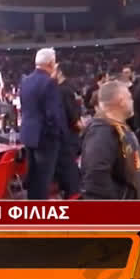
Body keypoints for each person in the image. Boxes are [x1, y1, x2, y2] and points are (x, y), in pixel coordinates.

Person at [81, 81, 140, 199]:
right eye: (130, 98)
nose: (132, 101)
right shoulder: (102, 132)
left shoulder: (119, 127)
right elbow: (95, 178)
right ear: (121, 100)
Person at [19, 48, 71, 199]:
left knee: (33, 178)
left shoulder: (25, 81)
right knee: (43, 181)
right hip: (45, 139)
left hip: (28, 136)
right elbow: (53, 115)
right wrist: (58, 135)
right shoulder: (50, 82)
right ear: (50, 63)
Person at [53, 63, 81, 194]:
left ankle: (73, 196)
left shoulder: (62, 90)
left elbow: (71, 114)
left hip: (67, 137)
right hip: (71, 135)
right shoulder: (71, 87)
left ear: (59, 72)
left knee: (68, 170)